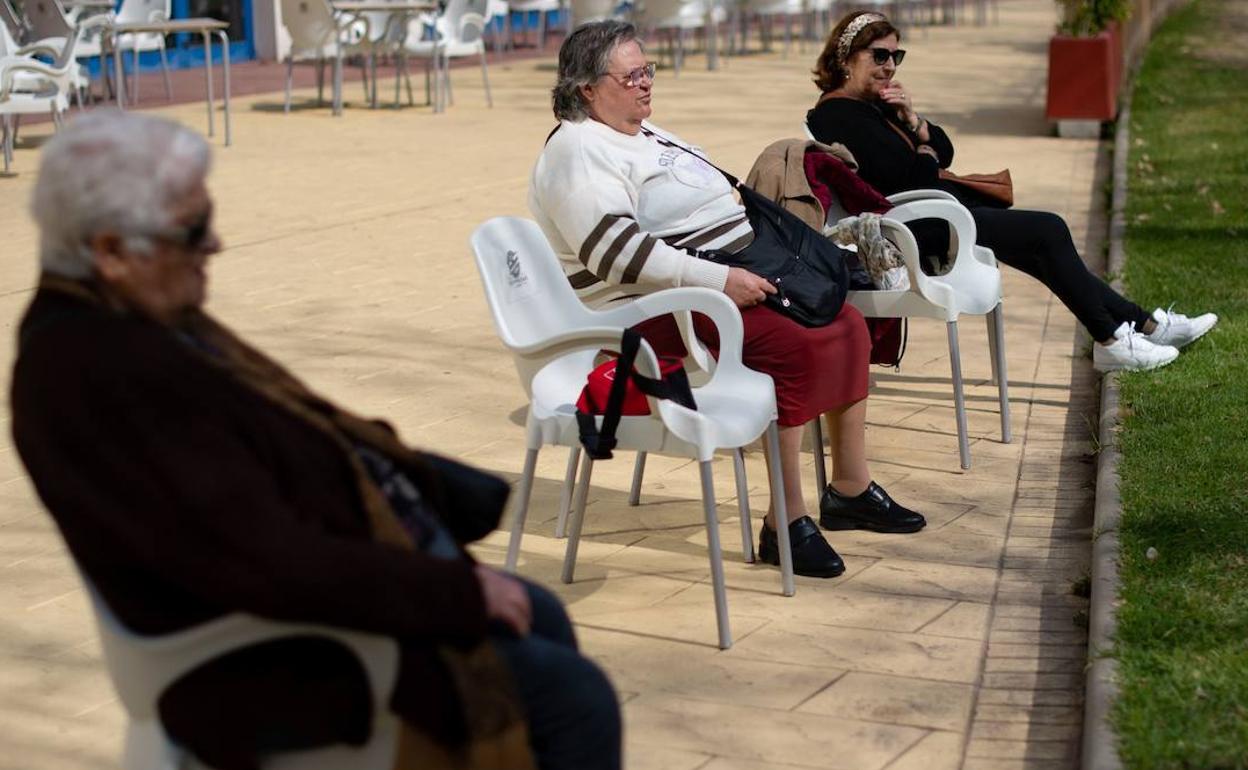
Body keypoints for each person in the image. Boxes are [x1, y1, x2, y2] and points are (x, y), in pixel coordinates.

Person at [9, 111, 620, 770]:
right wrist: (453, 595)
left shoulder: (126, 320)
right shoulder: (101, 374)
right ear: (109, 251)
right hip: (259, 656)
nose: (213, 244)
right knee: (576, 699)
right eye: (192, 230)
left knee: (541, 614)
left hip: (293, 593)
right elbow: (263, 557)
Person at [529, 21, 928, 581]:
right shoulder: (578, 150)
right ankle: (784, 522)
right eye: (632, 75)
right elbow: (616, 256)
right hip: (651, 310)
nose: (647, 84)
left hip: (721, 275)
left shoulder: (639, 132)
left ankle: (849, 488)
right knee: (795, 344)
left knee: (846, 322)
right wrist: (720, 281)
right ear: (588, 88)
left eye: (649, 71)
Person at [806, 11, 1218, 372]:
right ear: (846, 58)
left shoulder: (875, 104)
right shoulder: (838, 114)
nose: (890, 66)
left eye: (897, 56)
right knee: (1048, 230)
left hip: (936, 212)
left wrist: (915, 121)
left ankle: (1142, 326)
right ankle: (1113, 338)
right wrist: (925, 150)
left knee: (1044, 249)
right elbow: (917, 178)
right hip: (912, 227)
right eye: (880, 55)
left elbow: (943, 150)